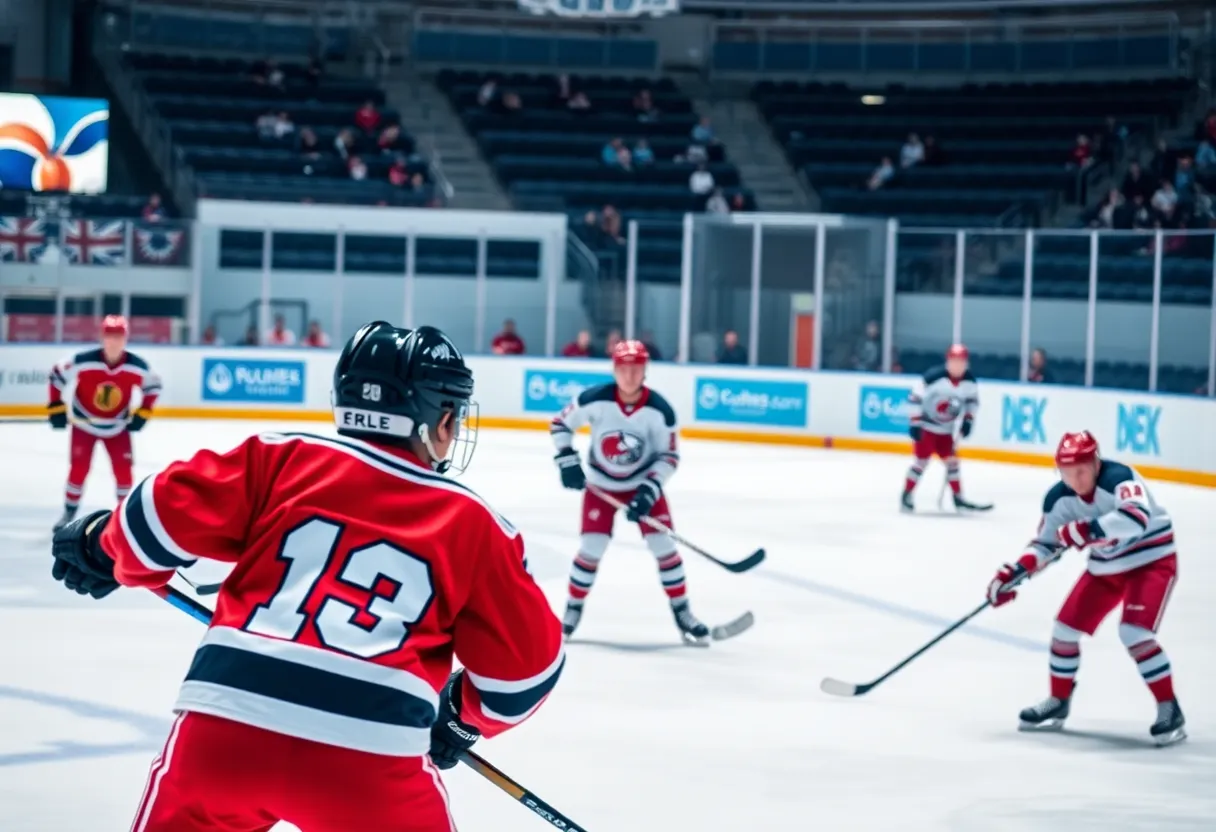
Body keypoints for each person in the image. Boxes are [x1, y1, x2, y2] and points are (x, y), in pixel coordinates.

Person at [48, 322, 565, 831]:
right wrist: (458, 716)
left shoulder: (279, 457)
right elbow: (522, 677)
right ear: (439, 419)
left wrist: (101, 543)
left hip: (224, 725)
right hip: (370, 753)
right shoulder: (474, 523)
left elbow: (150, 520)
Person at [986, 431, 1184, 746]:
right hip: (1106, 566)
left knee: (1134, 634)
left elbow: (1136, 519)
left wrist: (1088, 529)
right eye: (1067, 472)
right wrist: (1016, 571)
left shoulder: (1119, 478)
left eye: (1081, 470)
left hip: (1151, 560)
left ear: (1095, 462)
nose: (1075, 480)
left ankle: (1168, 707)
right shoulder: (1057, 500)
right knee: (1064, 630)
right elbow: (1046, 544)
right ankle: (1059, 700)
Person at [549, 340, 709, 644]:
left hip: (641, 485)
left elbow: (669, 456)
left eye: (636, 369)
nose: (630, 376)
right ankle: (572, 611)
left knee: (664, 547)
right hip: (600, 486)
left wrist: (649, 490)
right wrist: (567, 459)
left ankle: (682, 611)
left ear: (645, 370)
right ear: (615, 369)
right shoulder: (594, 399)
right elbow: (560, 424)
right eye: (624, 369)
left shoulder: (660, 411)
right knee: (591, 548)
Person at [48, 315, 161, 532]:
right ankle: (69, 511)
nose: (114, 341)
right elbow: (57, 376)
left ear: (125, 338)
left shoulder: (137, 367)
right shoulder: (84, 360)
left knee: (124, 472)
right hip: (84, 426)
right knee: (79, 469)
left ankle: (125, 516)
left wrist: (143, 413)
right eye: (109, 336)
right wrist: (56, 407)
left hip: (117, 429)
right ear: (102, 337)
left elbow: (154, 387)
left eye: (118, 336)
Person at [900, 343, 987, 512]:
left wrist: (968, 420)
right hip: (926, 428)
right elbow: (915, 398)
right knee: (921, 462)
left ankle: (958, 498)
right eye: (954, 361)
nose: (957, 365)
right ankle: (906, 495)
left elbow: (972, 402)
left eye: (961, 361)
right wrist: (915, 422)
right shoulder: (933, 377)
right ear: (947, 361)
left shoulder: (969, 382)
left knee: (953, 462)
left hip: (946, 431)